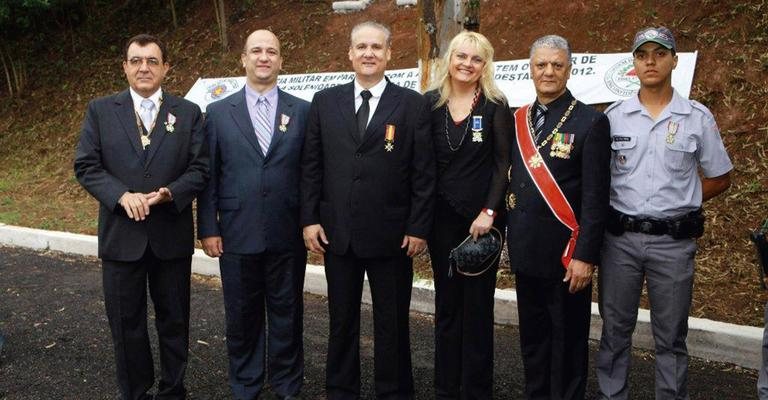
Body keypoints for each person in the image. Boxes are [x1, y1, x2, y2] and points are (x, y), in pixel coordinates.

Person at [300, 20, 435, 400]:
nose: (369, 53)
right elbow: (312, 166)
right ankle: (341, 390)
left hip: (392, 236)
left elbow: (423, 173)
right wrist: (309, 219)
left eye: (377, 47)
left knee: (391, 323)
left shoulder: (411, 104)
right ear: (350, 53)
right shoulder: (325, 102)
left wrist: (419, 226)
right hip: (336, 233)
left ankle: (393, 391)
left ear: (390, 53)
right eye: (361, 47)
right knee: (341, 321)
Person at [596, 26, 732, 400]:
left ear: (674, 60)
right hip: (619, 242)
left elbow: (721, 176)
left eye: (659, 53)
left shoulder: (696, 117)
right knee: (614, 331)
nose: (651, 61)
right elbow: (598, 178)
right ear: (633, 65)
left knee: (671, 335)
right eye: (642, 55)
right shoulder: (613, 117)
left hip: (673, 245)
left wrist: (685, 199)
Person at [74, 34, 209, 400]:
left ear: (166, 67)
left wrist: (170, 193)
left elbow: (200, 168)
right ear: (125, 67)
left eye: (152, 60)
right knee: (126, 323)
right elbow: (86, 165)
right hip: (122, 238)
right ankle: (134, 391)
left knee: (175, 320)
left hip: (170, 235)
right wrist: (119, 195)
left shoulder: (188, 113)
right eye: (136, 60)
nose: (143, 67)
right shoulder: (101, 111)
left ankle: (172, 389)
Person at [197, 29, 309, 400]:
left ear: (280, 60)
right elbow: (208, 175)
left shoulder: (302, 111)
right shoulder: (216, 113)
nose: (264, 57)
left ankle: (286, 385)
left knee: (287, 314)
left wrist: (310, 222)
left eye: (271, 51)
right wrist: (208, 228)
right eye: (256, 51)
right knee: (242, 317)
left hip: (287, 231)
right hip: (235, 231)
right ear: (243, 59)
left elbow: (310, 174)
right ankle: (245, 386)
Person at [505, 35, 611, 400]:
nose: (548, 72)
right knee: (533, 342)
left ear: (569, 69)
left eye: (557, 65)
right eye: (541, 65)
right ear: (530, 69)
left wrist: (585, 256)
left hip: (566, 256)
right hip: (526, 251)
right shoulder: (518, 119)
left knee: (567, 344)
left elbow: (597, 199)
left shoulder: (590, 122)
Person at [423, 31, 511, 399]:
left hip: (481, 223)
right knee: (447, 306)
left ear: (485, 65)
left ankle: (476, 389)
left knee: (477, 310)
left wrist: (489, 210)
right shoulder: (429, 103)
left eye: (476, 59)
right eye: (461, 56)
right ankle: (446, 388)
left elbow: (503, 163)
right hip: (440, 222)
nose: (467, 64)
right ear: (449, 59)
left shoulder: (495, 105)